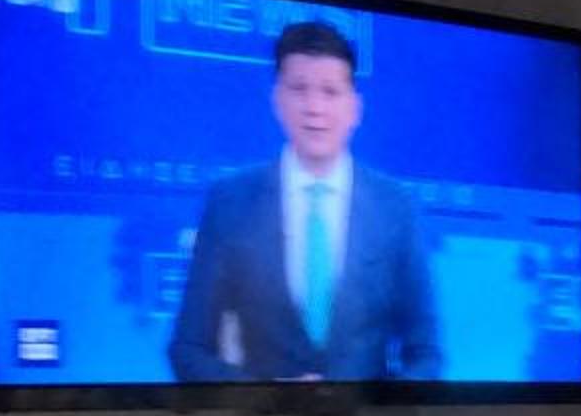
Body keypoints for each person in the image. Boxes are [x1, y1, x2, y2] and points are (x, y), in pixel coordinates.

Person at [167, 21, 440, 383]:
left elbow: (426, 356)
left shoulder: (396, 207)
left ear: (355, 108)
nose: (314, 107)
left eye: (330, 92)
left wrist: (369, 404)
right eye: (299, 89)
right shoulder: (230, 202)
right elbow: (188, 350)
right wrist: (268, 398)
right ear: (277, 101)